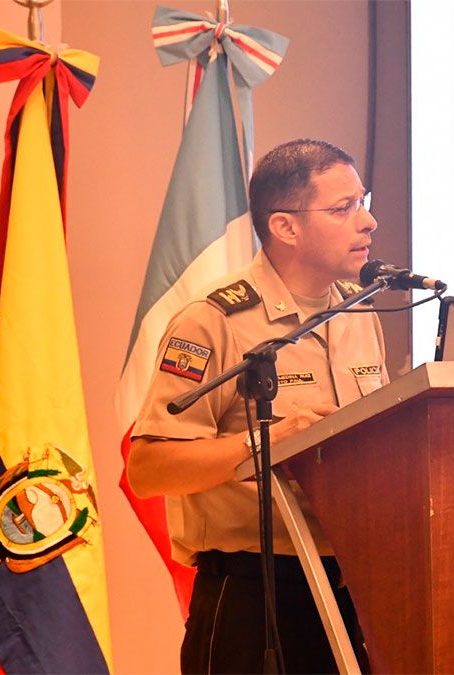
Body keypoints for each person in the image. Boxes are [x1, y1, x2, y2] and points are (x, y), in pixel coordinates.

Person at [128, 138, 386, 674]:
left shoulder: (359, 313)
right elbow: (148, 468)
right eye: (343, 208)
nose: (368, 222)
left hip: (351, 588)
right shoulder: (213, 321)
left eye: (363, 202)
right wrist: (263, 443)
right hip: (254, 594)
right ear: (285, 226)